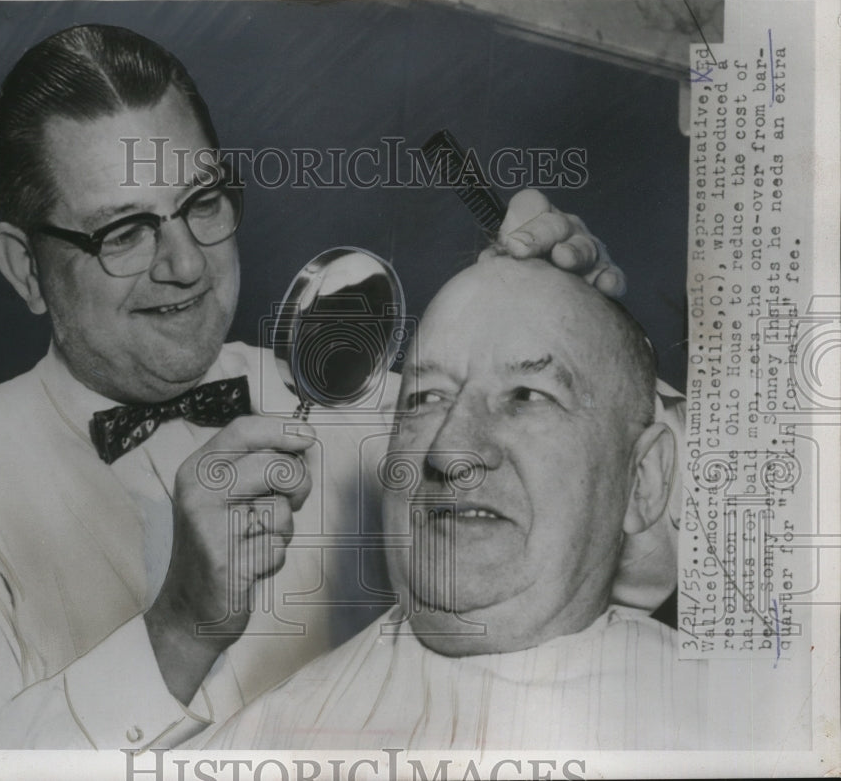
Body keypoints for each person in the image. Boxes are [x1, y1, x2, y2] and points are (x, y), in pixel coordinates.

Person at [0, 24, 668, 750]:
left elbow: (647, 556)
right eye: (124, 230)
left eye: (201, 204)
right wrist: (176, 630)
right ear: (25, 268)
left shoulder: (366, 408)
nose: (184, 264)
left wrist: (582, 334)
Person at [204, 257, 721, 750]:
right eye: (425, 397)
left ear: (645, 480)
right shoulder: (254, 750)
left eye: (527, 394)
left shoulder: (741, 729)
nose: (451, 450)